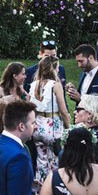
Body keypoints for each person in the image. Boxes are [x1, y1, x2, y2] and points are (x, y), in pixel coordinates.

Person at [27, 56, 67, 184]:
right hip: (52, 125)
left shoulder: (34, 84)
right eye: (57, 67)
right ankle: (53, 187)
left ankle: (41, 187)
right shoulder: (55, 85)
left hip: (37, 125)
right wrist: (68, 126)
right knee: (54, 161)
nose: (59, 70)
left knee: (41, 160)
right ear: (53, 68)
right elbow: (63, 110)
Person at [68, 43, 98, 136]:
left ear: (90, 58)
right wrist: (73, 92)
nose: (79, 65)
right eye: (78, 61)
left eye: (81, 61)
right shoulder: (84, 73)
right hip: (82, 122)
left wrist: (80, 98)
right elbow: (83, 94)